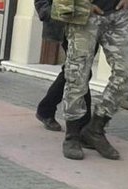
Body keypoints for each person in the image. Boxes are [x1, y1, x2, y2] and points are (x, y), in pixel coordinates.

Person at [53, 0, 128, 161]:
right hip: (84, 13)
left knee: (127, 71)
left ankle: (95, 128)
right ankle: (72, 135)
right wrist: (83, 7)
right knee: (77, 75)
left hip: (117, 15)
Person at [33, 0, 94, 132]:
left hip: (93, 24)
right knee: (81, 70)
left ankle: (46, 109)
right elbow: (42, 4)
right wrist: (54, 12)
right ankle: (84, 125)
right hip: (68, 23)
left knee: (75, 69)